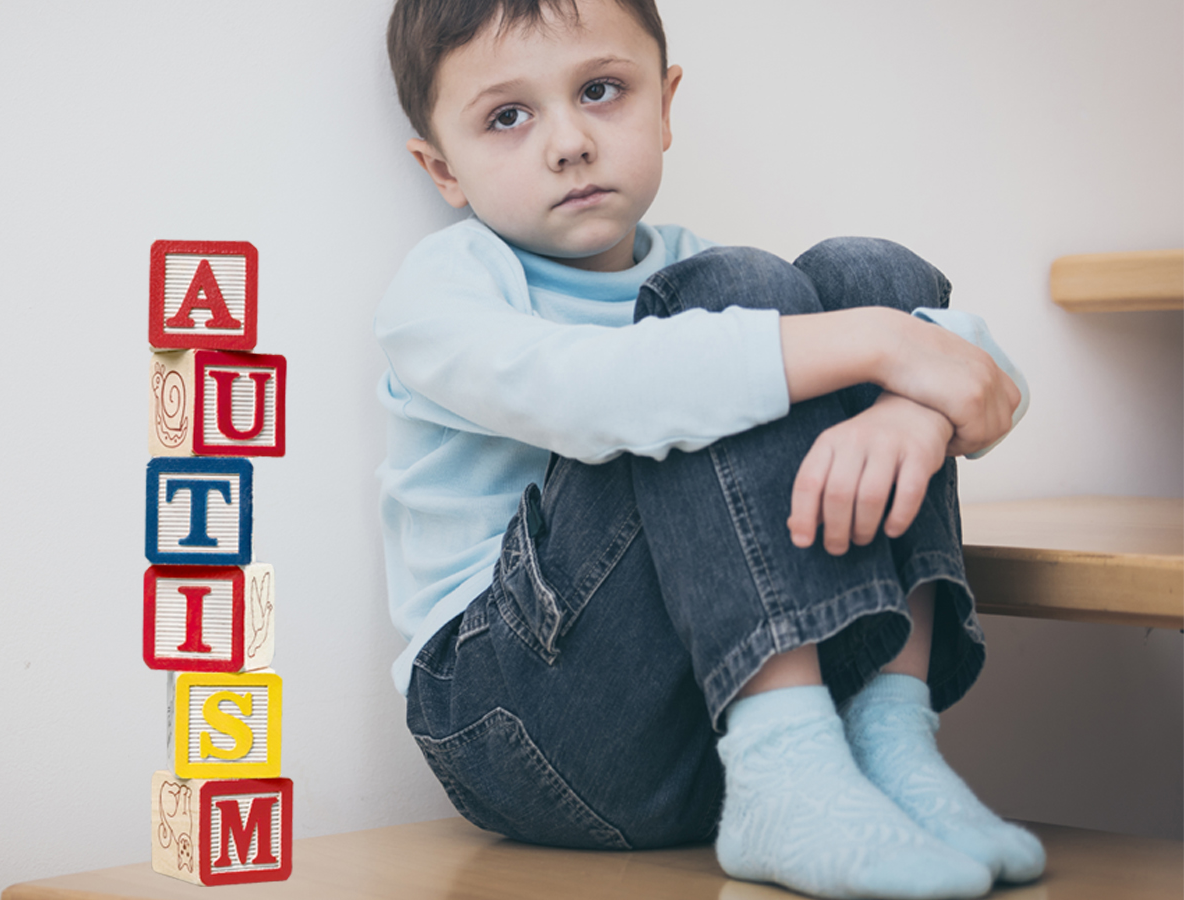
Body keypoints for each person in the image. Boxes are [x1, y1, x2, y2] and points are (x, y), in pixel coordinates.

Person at [375, 1, 1045, 897]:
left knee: (864, 272)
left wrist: (914, 412)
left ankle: (885, 742)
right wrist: (890, 351)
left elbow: (984, 378)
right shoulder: (446, 290)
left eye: (602, 91)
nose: (568, 141)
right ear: (440, 167)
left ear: (664, 104)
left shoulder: (705, 274)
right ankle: (788, 762)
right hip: (522, 722)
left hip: (708, 720)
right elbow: (596, 392)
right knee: (743, 313)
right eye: (508, 116)